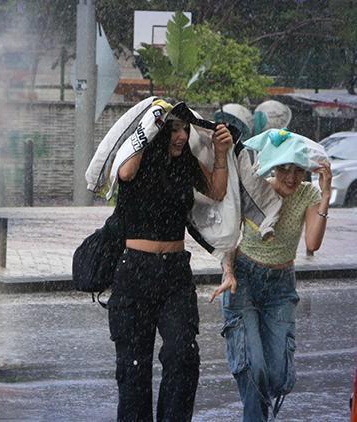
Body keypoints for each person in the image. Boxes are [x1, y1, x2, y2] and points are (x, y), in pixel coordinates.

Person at [108, 116, 232, 421]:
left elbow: (216, 191)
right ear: (158, 132)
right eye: (174, 129)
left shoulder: (186, 163)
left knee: (183, 355)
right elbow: (125, 172)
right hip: (135, 271)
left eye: (185, 129)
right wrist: (146, 129)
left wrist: (219, 153)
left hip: (175, 273)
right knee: (133, 368)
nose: (181, 136)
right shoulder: (139, 159)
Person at [210, 156, 332, 420]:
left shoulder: (307, 194)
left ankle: (256, 409)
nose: (290, 177)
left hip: (280, 288)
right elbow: (228, 235)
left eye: (298, 170)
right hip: (243, 282)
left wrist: (325, 196)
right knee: (253, 369)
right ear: (273, 167)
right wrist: (228, 272)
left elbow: (312, 242)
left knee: (277, 374)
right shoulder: (256, 189)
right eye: (284, 168)